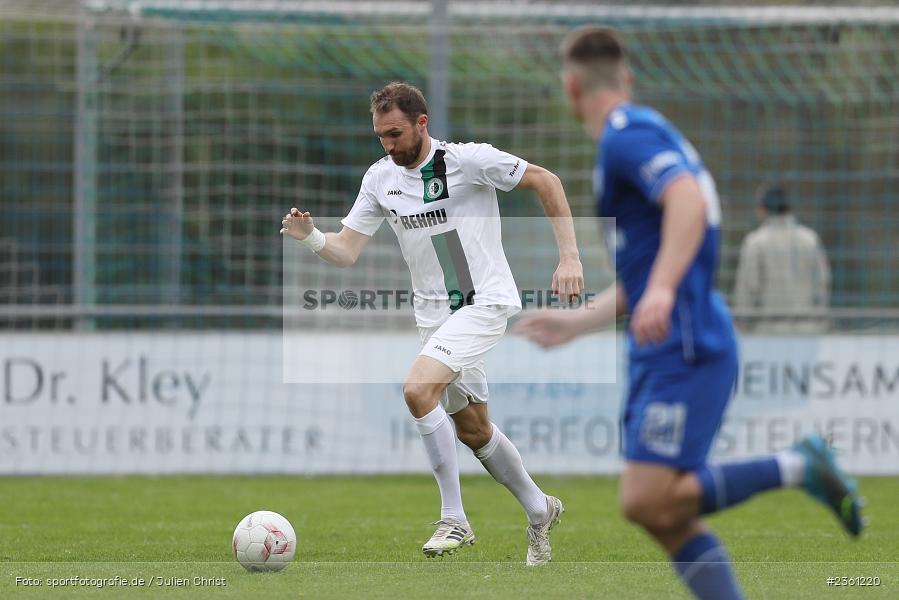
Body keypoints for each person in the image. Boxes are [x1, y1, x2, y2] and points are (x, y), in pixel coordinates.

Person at [515, 27, 862, 598]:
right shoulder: (639, 136)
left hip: (687, 343)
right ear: (625, 78)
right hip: (665, 342)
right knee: (663, 516)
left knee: (647, 499)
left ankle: (799, 466)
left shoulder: (625, 137)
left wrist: (663, 289)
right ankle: (797, 469)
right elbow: (647, 272)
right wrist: (578, 323)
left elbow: (687, 200)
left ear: (571, 88)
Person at [280, 82, 584, 565]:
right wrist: (311, 235)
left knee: (417, 391)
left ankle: (454, 519)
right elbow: (346, 250)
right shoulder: (380, 178)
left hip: (483, 303)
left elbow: (548, 181)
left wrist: (569, 257)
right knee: (474, 429)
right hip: (434, 318)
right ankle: (539, 508)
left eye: (396, 133)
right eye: (381, 136)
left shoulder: (469, 160)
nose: (389, 145)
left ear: (422, 123)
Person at [733, 183, 831, 333]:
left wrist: (742, 327)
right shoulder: (810, 240)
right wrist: (820, 323)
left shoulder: (755, 243)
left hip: (768, 334)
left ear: (762, 209)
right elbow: (822, 286)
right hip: (808, 332)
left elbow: (748, 292)